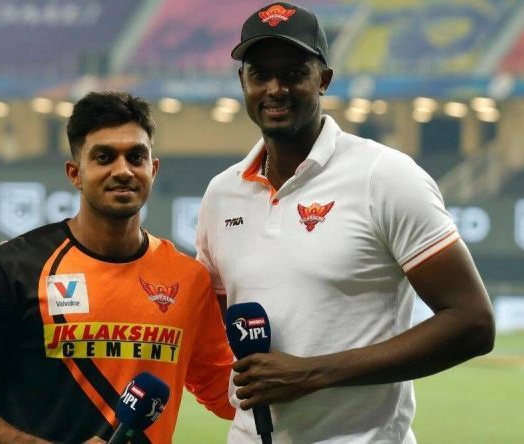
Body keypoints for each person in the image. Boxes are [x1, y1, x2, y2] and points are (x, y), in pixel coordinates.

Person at [195, 3, 496, 443]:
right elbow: (226, 330)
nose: (275, 88)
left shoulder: (385, 176)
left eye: (294, 73)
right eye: (260, 74)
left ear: (324, 80)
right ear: (243, 83)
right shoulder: (221, 195)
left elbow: (473, 322)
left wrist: (312, 373)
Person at [0, 91, 235, 443]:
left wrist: (303, 368)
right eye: (104, 157)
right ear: (75, 173)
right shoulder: (14, 267)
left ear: (153, 168)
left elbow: (226, 394)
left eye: (136, 156)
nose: (123, 170)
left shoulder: (188, 278)